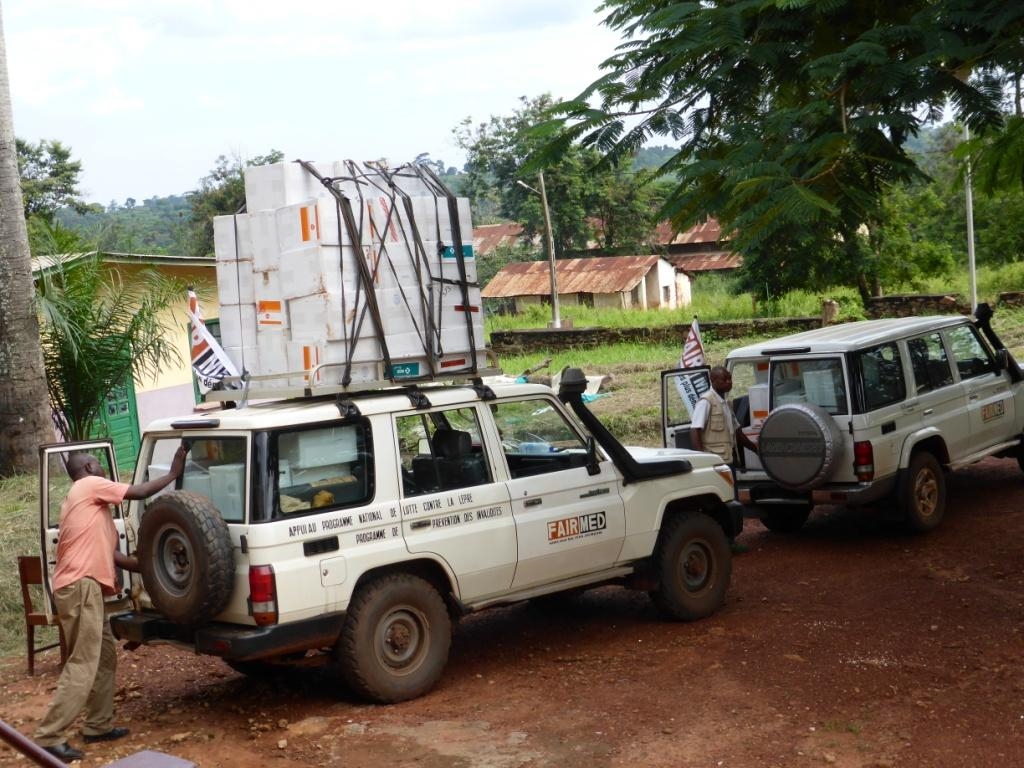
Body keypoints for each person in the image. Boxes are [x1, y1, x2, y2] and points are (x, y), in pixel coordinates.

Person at [34, 444, 188, 762]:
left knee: (104, 659)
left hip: (84, 589)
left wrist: (155, 564)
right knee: (83, 662)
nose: (103, 468)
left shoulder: (91, 508)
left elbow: (116, 557)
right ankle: (49, 736)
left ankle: (97, 725)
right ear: (89, 468)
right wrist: (174, 472)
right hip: (81, 588)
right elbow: (139, 490)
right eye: (99, 463)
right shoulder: (88, 487)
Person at [690, 365, 758, 554]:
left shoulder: (726, 403)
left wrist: (755, 449)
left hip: (728, 461)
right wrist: (701, 460)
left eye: (730, 379)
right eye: (724, 380)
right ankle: (725, 543)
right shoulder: (706, 402)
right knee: (721, 503)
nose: (729, 382)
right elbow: (695, 430)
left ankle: (729, 540)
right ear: (713, 381)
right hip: (715, 463)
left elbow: (737, 432)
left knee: (732, 501)